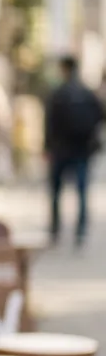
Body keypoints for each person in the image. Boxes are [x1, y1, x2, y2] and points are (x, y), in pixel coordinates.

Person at [44, 55, 104, 246]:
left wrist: (47, 146)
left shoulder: (58, 93)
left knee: (56, 191)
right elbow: (100, 117)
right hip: (82, 149)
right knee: (82, 191)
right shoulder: (88, 93)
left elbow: (49, 123)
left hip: (60, 149)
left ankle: (55, 228)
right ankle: (81, 230)